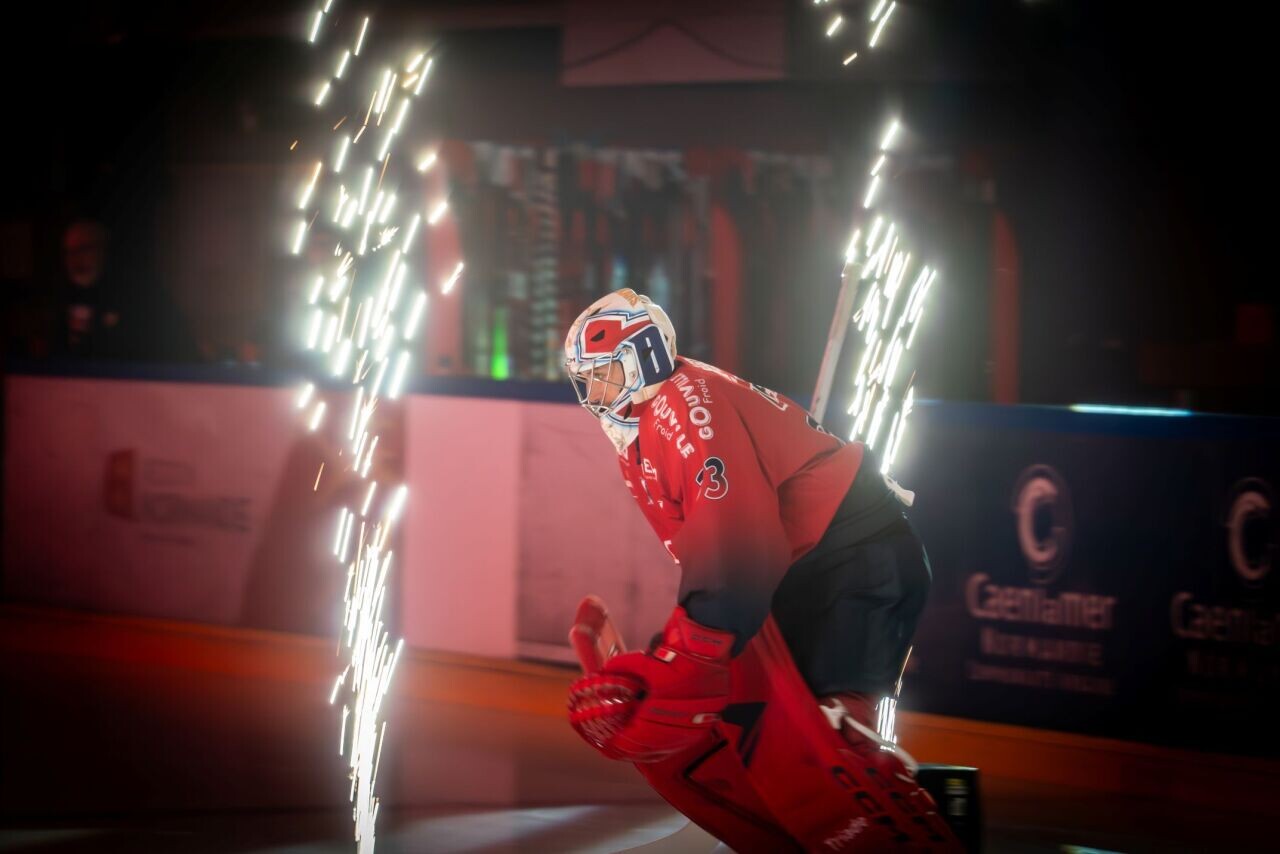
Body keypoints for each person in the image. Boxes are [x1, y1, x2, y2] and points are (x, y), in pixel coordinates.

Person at [562, 288, 958, 851]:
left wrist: (689, 652)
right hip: (820, 571)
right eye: (588, 382)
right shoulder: (648, 428)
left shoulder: (682, 405)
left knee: (831, 758)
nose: (597, 395)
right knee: (784, 748)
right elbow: (722, 560)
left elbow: (736, 543)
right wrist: (680, 650)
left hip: (849, 565)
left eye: (606, 375)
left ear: (645, 354)